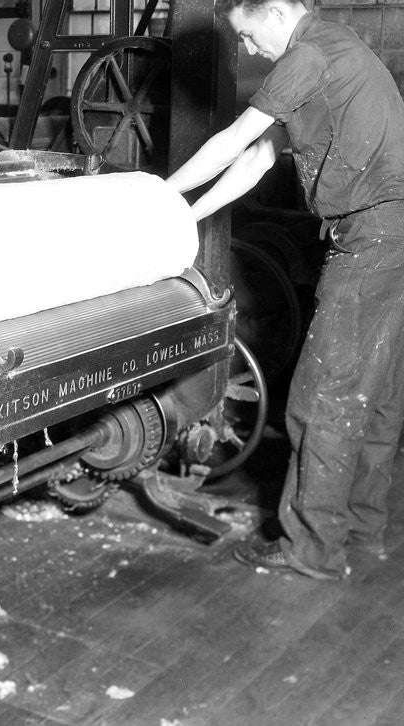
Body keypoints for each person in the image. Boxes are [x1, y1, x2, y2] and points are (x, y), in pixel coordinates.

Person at [166, 0, 404, 579]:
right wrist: (186, 212)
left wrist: (154, 196)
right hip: (393, 234)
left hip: (375, 237)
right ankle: (362, 526)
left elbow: (231, 141)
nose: (248, 50)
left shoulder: (307, 54)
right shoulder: (337, 47)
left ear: (274, 13)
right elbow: (256, 159)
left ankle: (312, 548)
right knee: (376, 390)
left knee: (322, 399)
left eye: (248, 36)